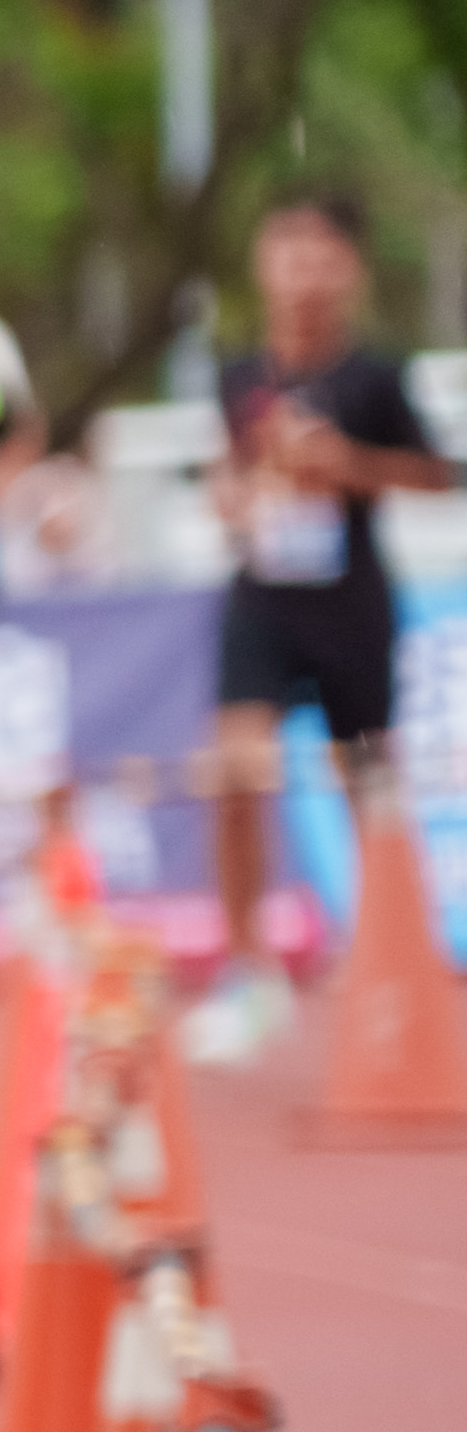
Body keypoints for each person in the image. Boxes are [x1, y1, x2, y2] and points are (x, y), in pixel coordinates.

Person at [191, 189, 452, 1070]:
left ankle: (390, 970)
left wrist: (349, 467)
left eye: (320, 255)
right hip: (263, 602)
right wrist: (231, 494)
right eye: (286, 251)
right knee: (234, 774)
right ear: (262, 264)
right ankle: (247, 974)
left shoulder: (375, 377)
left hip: (351, 607)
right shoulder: (238, 376)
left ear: (349, 269)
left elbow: (438, 475)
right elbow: (226, 476)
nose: (302, 272)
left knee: (371, 789)